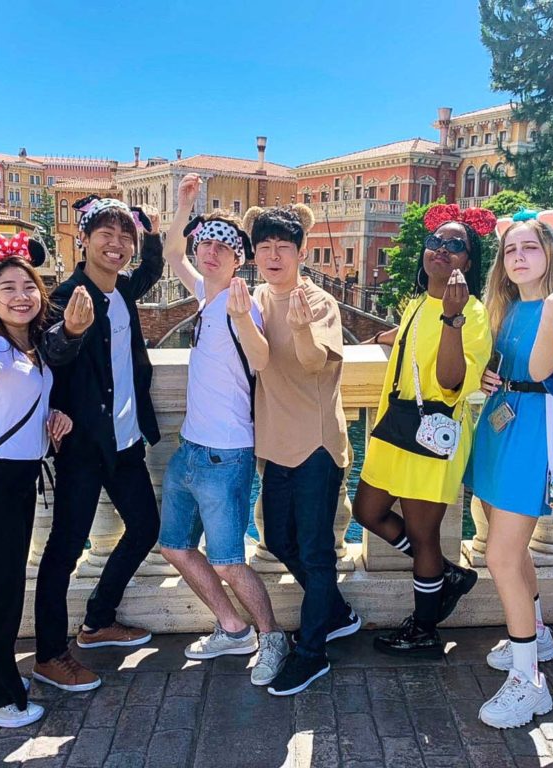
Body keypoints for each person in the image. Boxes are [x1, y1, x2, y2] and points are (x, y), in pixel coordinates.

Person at [466, 208, 553, 729]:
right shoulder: (506, 310)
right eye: (510, 250)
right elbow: (510, 367)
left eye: (529, 247)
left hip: (532, 442)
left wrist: (551, 318)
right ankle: (538, 633)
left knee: (501, 557)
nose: (519, 257)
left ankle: (529, 682)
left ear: (550, 254)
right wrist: (486, 374)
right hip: (500, 432)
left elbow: (548, 373)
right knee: (508, 550)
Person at [0, 232, 92, 726]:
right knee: (0, 593)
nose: (20, 296)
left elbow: (26, 396)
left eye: (28, 287)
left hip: (15, 479)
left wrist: (56, 414)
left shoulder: (29, 345)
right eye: (7, 288)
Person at [158, 173, 290, 686]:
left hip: (226, 455)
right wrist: (184, 205)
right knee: (173, 545)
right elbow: (172, 253)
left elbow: (262, 361)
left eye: (223, 246)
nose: (209, 252)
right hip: (190, 449)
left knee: (232, 561)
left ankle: (273, 638)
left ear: (240, 260)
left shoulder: (243, 304)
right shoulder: (203, 295)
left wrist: (245, 320)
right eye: (205, 243)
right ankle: (233, 627)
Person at [33, 197, 163, 692]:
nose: (117, 243)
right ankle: (49, 654)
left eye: (124, 235)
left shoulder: (123, 291)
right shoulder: (66, 297)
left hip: (125, 440)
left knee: (145, 527)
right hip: (83, 445)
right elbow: (49, 355)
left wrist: (151, 229)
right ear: (82, 240)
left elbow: (151, 265)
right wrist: (70, 331)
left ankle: (97, 621)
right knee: (64, 548)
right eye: (105, 234)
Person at [352, 203, 492, 657]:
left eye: (456, 246)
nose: (442, 250)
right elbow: (412, 337)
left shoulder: (471, 314)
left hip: (434, 433)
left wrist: (452, 320)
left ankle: (425, 627)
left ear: (467, 262)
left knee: (424, 535)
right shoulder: (418, 303)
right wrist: (379, 339)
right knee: (366, 512)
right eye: (436, 242)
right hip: (396, 423)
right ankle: (445, 576)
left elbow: (452, 380)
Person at [234, 204, 361, 696]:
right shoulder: (254, 297)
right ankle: (336, 612)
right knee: (280, 541)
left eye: (282, 247)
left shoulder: (318, 300)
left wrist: (303, 325)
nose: (272, 255)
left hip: (316, 445)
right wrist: (244, 317)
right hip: (276, 444)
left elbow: (311, 363)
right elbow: (260, 359)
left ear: (300, 253)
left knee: (314, 550)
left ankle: (312, 652)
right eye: (264, 247)